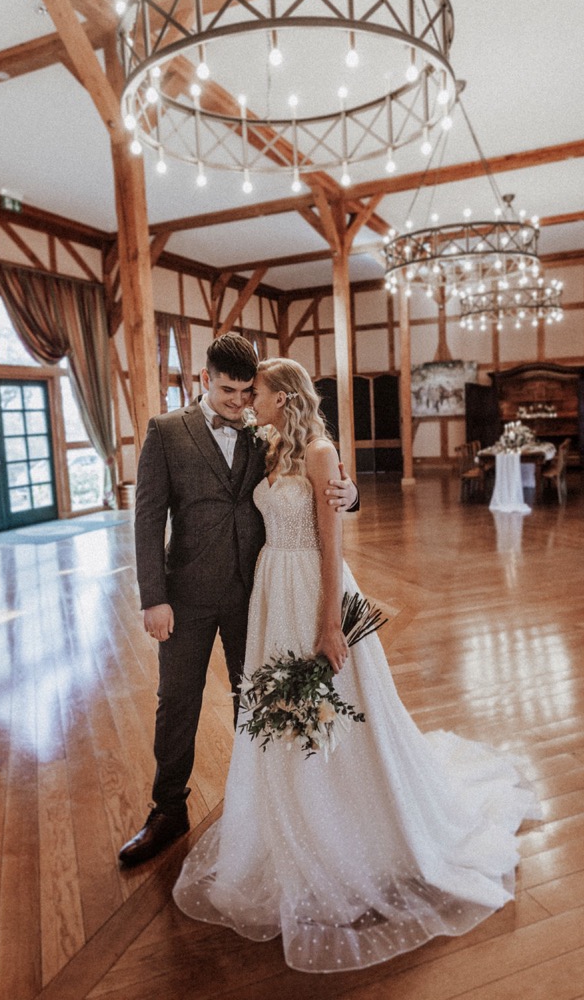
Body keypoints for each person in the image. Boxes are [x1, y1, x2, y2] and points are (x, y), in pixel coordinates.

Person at [172, 357, 541, 973]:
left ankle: (348, 820)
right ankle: (289, 811)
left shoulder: (320, 452)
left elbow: (331, 539)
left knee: (337, 705)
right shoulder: (266, 447)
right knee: (278, 710)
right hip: (271, 589)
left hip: (315, 586)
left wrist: (329, 623)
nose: (248, 402)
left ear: (282, 398)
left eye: (256, 392)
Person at [119, 334, 357, 867]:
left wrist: (352, 493)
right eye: (228, 390)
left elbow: (312, 479)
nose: (239, 402)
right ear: (205, 379)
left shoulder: (263, 433)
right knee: (176, 700)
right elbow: (148, 518)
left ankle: (261, 800)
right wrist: (153, 598)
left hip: (256, 593)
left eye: (248, 392)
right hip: (185, 595)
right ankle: (168, 809)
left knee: (256, 696)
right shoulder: (165, 431)